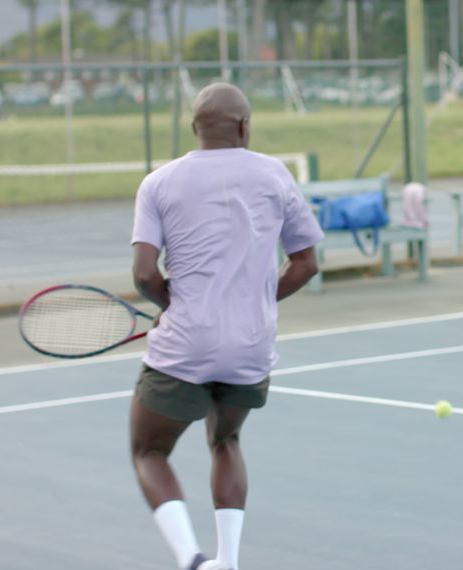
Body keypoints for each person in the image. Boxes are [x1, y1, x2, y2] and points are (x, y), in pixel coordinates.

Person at [129, 83, 323, 570]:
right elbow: (305, 263)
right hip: (251, 348)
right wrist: (255, 301)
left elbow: (145, 274)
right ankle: (228, 562)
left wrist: (169, 303)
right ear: (244, 127)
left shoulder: (158, 183)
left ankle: (192, 560)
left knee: (150, 451)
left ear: (195, 128)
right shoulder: (275, 175)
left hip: (185, 346)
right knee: (227, 441)